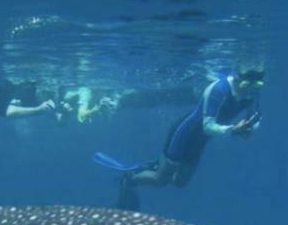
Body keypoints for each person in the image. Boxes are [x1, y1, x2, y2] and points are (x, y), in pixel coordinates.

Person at [113, 65, 264, 210]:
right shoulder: (219, 89)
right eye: (246, 85)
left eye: (256, 84)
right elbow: (208, 126)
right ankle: (130, 178)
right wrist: (232, 129)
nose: (250, 90)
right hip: (183, 134)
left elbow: (255, 117)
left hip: (201, 140)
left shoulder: (253, 92)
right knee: (161, 180)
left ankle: (158, 165)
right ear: (237, 78)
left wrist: (250, 129)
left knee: (180, 182)